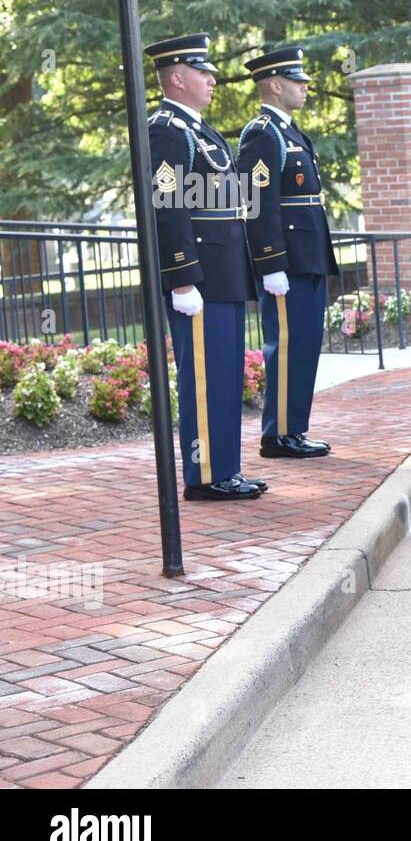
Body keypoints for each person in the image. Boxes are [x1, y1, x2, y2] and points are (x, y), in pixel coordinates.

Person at [145, 33, 263, 500]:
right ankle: (205, 476)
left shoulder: (199, 129)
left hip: (225, 275)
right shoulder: (166, 129)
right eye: (202, 71)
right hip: (200, 278)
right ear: (177, 77)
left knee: (224, 374)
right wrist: (180, 277)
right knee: (204, 378)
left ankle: (225, 470)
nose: (213, 79)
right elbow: (167, 206)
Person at [237, 47, 339, 459]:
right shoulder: (263, 133)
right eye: (298, 82)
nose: (306, 88)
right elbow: (257, 204)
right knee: (286, 346)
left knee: (305, 345)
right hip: (287, 265)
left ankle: (294, 429)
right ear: (275, 85)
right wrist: (270, 262)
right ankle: (277, 435)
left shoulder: (291, 132)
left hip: (307, 258)